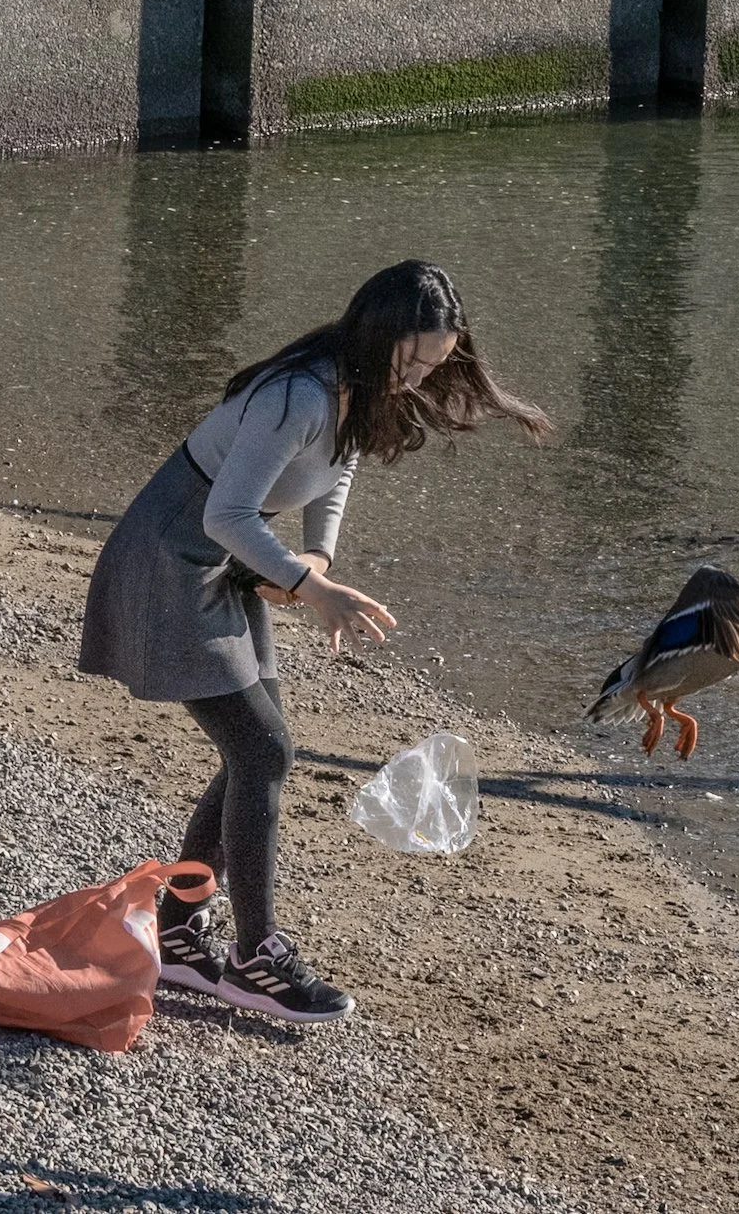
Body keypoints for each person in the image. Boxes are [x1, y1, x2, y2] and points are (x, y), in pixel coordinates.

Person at [78, 260, 549, 1022]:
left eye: (437, 362)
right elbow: (225, 514)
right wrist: (309, 588)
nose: (422, 376)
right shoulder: (299, 391)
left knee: (255, 749)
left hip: (227, 565)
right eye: (415, 358)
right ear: (378, 333)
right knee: (263, 750)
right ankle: (255, 957)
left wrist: (316, 562)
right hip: (170, 555)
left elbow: (336, 475)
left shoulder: (361, 390)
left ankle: (175, 931)